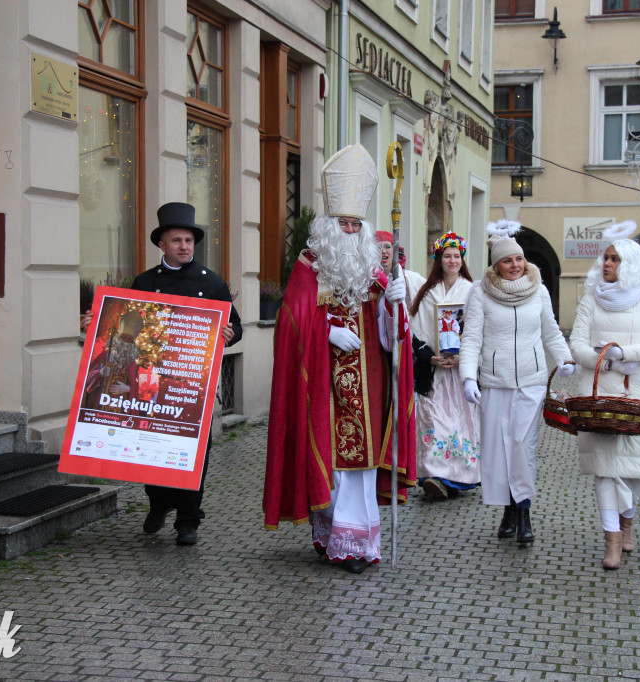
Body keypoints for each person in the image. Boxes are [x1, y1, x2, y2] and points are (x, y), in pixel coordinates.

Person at [263, 144, 414, 575]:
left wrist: (393, 306)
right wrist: (327, 330)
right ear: (329, 226)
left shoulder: (374, 271)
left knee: (362, 467)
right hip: (324, 385)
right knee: (331, 460)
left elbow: (395, 339)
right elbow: (290, 327)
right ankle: (335, 538)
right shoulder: (310, 266)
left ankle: (357, 542)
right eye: (343, 223)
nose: (349, 230)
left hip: (370, 384)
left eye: (356, 223)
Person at [131, 201, 242, 546]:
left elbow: (236, 326)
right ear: (161, 245)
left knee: (193, 453)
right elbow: (128, 325)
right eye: (176, 240)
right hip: (153, 382)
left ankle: (188, 520)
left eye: (189, 241)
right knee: (152, 447)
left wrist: (230, 334)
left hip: (194, 384)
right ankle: (158, 503)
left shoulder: (211, 283)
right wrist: (96, 324)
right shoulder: (145, 282)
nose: (184, 246)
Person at [459, 220, 575, 546]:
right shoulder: (481, 293)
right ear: (496, 265)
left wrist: (564, 359)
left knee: (523, 448)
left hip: (532, 382)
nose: (514, 265)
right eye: (507, 260)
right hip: (495, 383)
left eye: (519, 259)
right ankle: (508, 510)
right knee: (499, 449)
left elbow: (551, 332)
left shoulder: (538, 291)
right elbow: (471, 340)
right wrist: (468, 377)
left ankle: (523, 512)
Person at [569, 223, 640, 570]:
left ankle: (627, 521)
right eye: (605, 258)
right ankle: (611, 539)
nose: (607, 263)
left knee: (634, 470)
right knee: (605, 470)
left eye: (614, 259)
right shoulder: (590, 300)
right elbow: (577, 346)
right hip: (599, 394)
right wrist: (606, 360)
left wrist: (625, 353)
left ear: (629, 265)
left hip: (639, 394)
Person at [407, 232, 480, 500]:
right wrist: (429, 356)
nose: (452, 260)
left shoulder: (472, 290)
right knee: (434, 419)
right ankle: (435, 475)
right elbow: (415, 332)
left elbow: (478, 328)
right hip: (435, 371)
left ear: (462, 260)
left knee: (459, 423)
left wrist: (465, 356)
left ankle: (457, 477)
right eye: (447, 256)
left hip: (460, 371)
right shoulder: (428, 292)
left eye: (456, 256)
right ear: (439, 259)